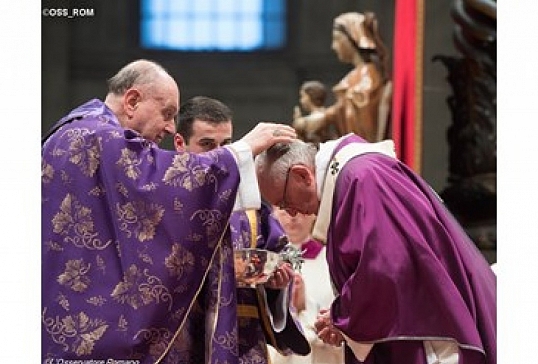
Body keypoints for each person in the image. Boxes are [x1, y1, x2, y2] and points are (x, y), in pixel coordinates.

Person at [41, 59, 299, 363]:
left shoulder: (70, 133)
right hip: (95, 337)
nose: (169, 127)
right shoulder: (99, 137)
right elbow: (164, 185)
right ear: (132, 100)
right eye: (167, 113)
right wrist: (241, 151)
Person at [254, 133, 496, 364]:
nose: (290, 213)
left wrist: (342, 317)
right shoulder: (355, 175)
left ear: (302, 175)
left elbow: (387, 266)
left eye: (284, 202)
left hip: (428, 325)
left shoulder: (361, 178)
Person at [174, 95, 310, 362]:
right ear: (180, 144)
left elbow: (278, 256)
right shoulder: (166, 198)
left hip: (243, 342)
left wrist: (276, 285)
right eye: (206, 144)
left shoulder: (251, 202)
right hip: (185, 337)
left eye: (227, 145)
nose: (219, 154)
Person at [293, 12, 392, 142]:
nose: (333, 46)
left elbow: (361, 113)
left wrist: (324, 118)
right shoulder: (355, 76)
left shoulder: (368, 75)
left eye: (337, 39)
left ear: (351, 39)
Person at [268, 207, 344, 364]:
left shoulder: (330, 260)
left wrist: (304, 305)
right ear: (273, 213)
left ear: (313, 214)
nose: (292, 218)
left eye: (299, 211)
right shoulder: (266, 262)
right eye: (284, 210)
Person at [292, 80, 337, 145]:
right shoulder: (326, 115)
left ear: (310, 96)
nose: (301, 101)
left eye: (303, 96)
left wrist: (299, 123)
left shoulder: (323, 116)